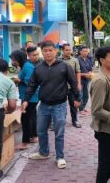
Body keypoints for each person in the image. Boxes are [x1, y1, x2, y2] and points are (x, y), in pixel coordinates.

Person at [22, 41, 81, 169]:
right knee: (41, 131)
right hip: (43, 105)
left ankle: (60, 157)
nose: (48, 53)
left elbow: (73, 83)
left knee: (59, 133)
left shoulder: (64, 66)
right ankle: (43, 152)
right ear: (42, 52)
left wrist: (77, 98)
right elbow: (32, 85)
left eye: (50, 50)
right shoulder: (38, 68)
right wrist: (26, 100)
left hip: (59, 106)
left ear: (55, 51)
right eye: (45, 51)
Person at [90, 46, 110, 183]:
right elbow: (96, 110)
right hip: (106, 130)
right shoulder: (100, 81)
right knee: (106, 165)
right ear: (102, 60)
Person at [16, 47, 40, 150]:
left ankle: (25, 142)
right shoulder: (28, 65)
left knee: (25, 119)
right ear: (28, 55)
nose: (36, 56)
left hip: (29, 96)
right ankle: (34, 136)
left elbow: (29, 82)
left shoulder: (28, 66)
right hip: (32, 96)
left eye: (37, 54)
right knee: (32, 116)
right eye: (34, 55)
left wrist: (18, 80)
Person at [61, 43, 82, 128]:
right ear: (62, 51)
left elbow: (78, 72)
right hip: (61, 87)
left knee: (73, 104)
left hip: (72, 87)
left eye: (70, 50)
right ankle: (61, 121)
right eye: (67, 50)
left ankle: (75, 120)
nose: (69, 51)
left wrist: (79, 83)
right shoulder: (58, 60)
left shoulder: (75, 60)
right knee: (61, 105)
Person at [78, 45, 93, 114]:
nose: (86, 52)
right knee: (80, 95)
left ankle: (83, 107)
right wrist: (85, 74)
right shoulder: (77, 60)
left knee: (86, 95)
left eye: (87, 51)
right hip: (79, 80)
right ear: (80, 52)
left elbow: (90, 69)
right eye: (84, 51)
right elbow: (75, 72)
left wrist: (90, 72)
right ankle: (80, 109)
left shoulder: (88, 59)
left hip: (87, 80)